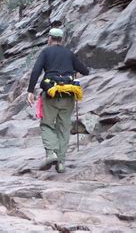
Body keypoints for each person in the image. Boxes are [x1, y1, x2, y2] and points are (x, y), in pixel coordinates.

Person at [27, 28, 89, 173]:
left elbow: (36, 70)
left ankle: (51, 153)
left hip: (51, 94)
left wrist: (30, 91)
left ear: (49, 38)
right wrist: (74, 72)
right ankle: (61, 163)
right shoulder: (68, 53)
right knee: (63, 127)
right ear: (61, 39)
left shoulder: (46, 52)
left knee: (47, 124)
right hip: (68, 94)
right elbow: (85, 70)